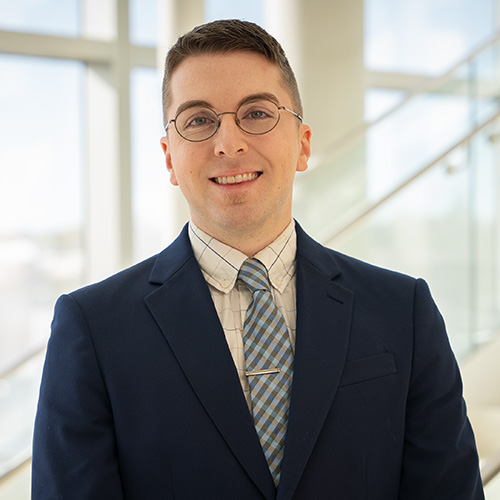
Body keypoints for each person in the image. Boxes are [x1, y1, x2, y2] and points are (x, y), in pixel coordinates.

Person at [32, 19, 484, 500]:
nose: (228, 143)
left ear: (303, 145)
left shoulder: (402, 311)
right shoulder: (93, 329)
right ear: (169, 158)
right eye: (199, 120)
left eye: (256, 113)